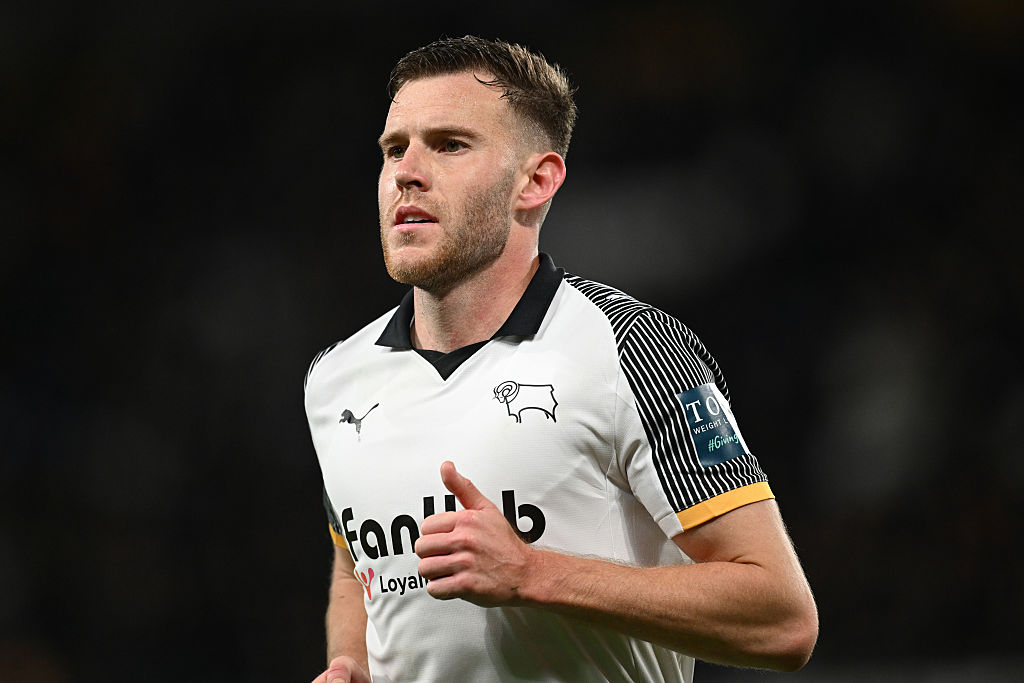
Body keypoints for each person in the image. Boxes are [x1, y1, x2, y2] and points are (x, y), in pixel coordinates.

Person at [306, 35, 817, 683]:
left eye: (450, 144)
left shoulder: (628, 347)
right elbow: (358, 565)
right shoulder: (336, 379)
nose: (407, 170)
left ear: (536, 180)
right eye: (394, 147)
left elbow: (782, 617)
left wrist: (533, 572)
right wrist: (351, 663)